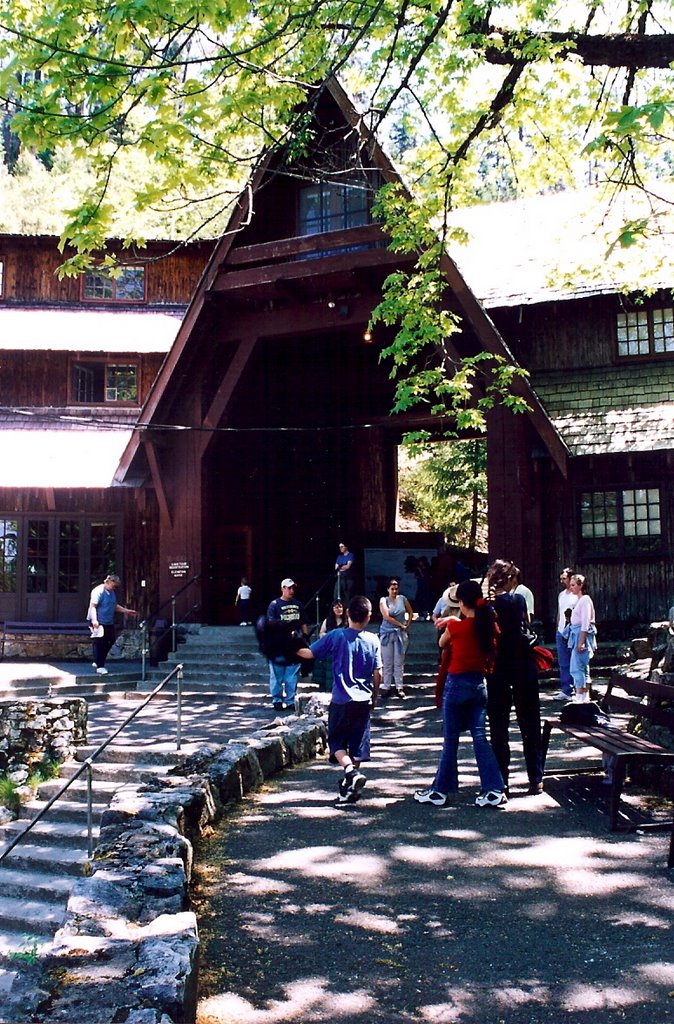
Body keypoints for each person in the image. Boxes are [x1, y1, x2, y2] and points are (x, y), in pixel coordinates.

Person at [414, 579, 507, 808]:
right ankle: (494, 788)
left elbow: (443, 642)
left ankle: (440, 790)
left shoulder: (456, 626)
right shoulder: (489, 625)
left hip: (456, 684)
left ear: (462, 603)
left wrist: (453, 621)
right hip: (479, 684)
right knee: (479, 736)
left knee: (451, 739)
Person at [297, 595, 382, 806]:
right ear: (369, 617)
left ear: (347, 613)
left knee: (336, 742)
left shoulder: (336, 636)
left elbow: (309, 653)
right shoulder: (373, 640)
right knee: (358, 746)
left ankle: (350, 773)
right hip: (364, 700)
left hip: (342, 699)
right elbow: (378, 673)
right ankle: (349, 787)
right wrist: (375, 696)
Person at [485, 559, 544, 796]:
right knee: (529, 722)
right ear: (508, 579)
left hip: (497, 668)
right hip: (521, 663)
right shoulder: (516, 599)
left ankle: (502, 779)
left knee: (499, 726)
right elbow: (523, 626)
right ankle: (535, 778)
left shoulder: (485, 606)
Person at [265, 578, 309, 711]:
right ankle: (277, 700)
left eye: (293, 588)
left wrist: (305, 637)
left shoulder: (298, 604)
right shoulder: (274, 605)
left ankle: (290, 700)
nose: (291, 590)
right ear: (282, 588)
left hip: (294, 645)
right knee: (277, 675)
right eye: (289, 588)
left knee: (292, 675)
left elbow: (303, 622)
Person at [87, 574, 138, 675]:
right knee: (100, 642)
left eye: (116, 587)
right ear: (108, 582)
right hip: (98, 620)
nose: (115, 588)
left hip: (108, 621)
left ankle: (98, 660)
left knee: (111, 640)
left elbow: (114, 606)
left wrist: (126, 611)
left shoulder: (112, 593)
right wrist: (94, 620)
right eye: (114, 585)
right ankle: (100, 666)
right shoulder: (98, 591)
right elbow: (92, 607)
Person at [378, 578, 414, 699]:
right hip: (387, 633)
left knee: (399, 662)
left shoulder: (403, 599)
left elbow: (410, 611)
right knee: (387, 662)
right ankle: (386, 686)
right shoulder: (384, 600)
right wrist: (400, 624)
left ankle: (399, 686)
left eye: (396, 588)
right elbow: (387, 616)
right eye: (392, 588)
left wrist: (407, 624)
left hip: (400, 633)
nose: (394, 590)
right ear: (388, 589)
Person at [568, 573, 597, 703]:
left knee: (577, 666)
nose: (571, 587)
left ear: (581, 585)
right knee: (583, 667)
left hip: (581, 634)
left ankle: (580, 695)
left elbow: (585, 622)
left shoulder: (585, 600)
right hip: (576, 633)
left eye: (573, 585)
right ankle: (585, 696)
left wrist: (581, 642)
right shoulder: (579, 600)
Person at [312, 599, 348, 691]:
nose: (338, 609)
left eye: (340, 607)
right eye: (336, 607)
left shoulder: (347, 621)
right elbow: (321, 633)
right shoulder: (328, 620)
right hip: (329, 648)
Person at [554, 567, 578, 699]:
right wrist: (558, 626)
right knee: (563, 662)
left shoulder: (576, 596)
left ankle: (575, 689)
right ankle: (565, 689)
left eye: (564, 578)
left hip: (573, 631)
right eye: (561, 579)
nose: (562, 581)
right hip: (561, 630)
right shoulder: (561, 595)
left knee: (574, 660)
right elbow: (559, 611)